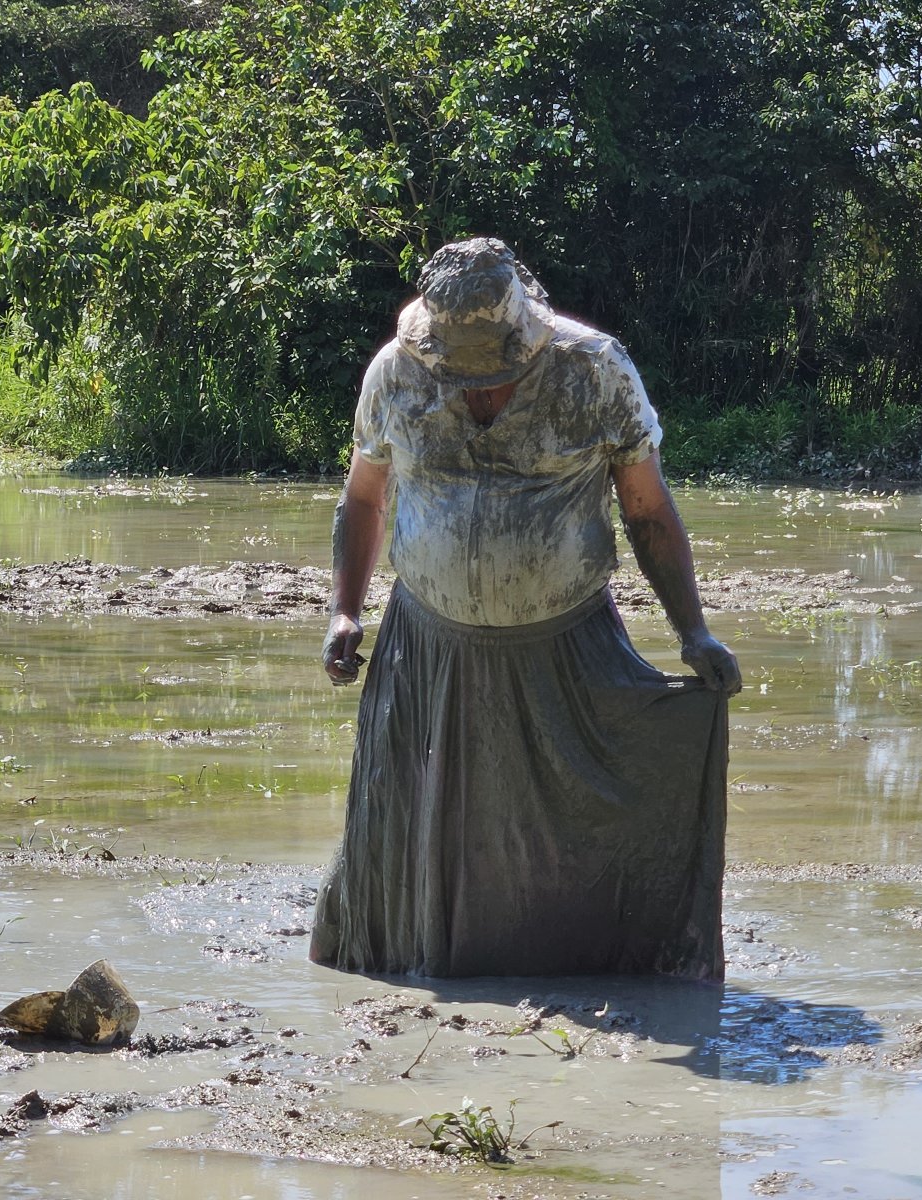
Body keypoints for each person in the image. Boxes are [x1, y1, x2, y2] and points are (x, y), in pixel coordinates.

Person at [310, 237, 740, 980]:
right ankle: (411, 968)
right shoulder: (395, 372)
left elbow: (647, 510)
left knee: (584, 821)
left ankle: (582, 967)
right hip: (427, 649)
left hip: (566, 645)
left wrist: (692, 631)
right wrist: (345, 611)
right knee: (414, 829)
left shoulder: (594, 368)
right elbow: (364, 496)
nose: (478, 381)